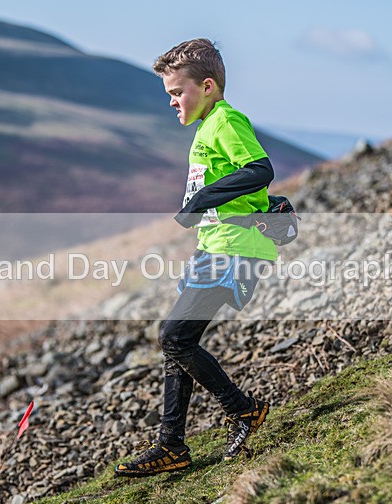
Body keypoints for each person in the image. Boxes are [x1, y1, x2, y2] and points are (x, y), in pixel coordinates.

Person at [115, 38, 276, 477]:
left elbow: (260, 169)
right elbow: (252, 187)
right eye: (168, 94)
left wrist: (203, 198)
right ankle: (172, 446)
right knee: (176, 345)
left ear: (207, 86)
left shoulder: (225, 119)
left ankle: (243, 411)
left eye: (177, 92)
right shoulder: (207, 128)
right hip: (215, 247)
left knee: (173, 337)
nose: (171, 102)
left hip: (234, 249)